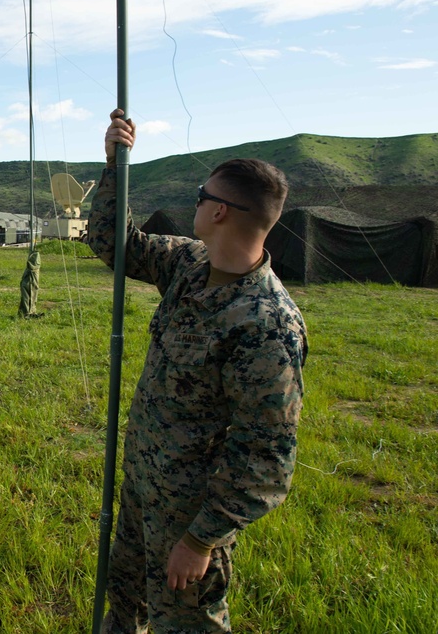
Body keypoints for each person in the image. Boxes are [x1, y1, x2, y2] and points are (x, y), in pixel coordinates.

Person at [89, 109, 308, 633]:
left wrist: (199, 539)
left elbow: (267, 456)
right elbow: (113, 245)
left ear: (222, 213)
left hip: (189, 514)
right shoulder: (189, 264)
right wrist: (115, 165)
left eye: (200, 195)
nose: (197, 202)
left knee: (186, 625)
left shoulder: (267, 323)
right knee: (125, 606)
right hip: (144, 484)